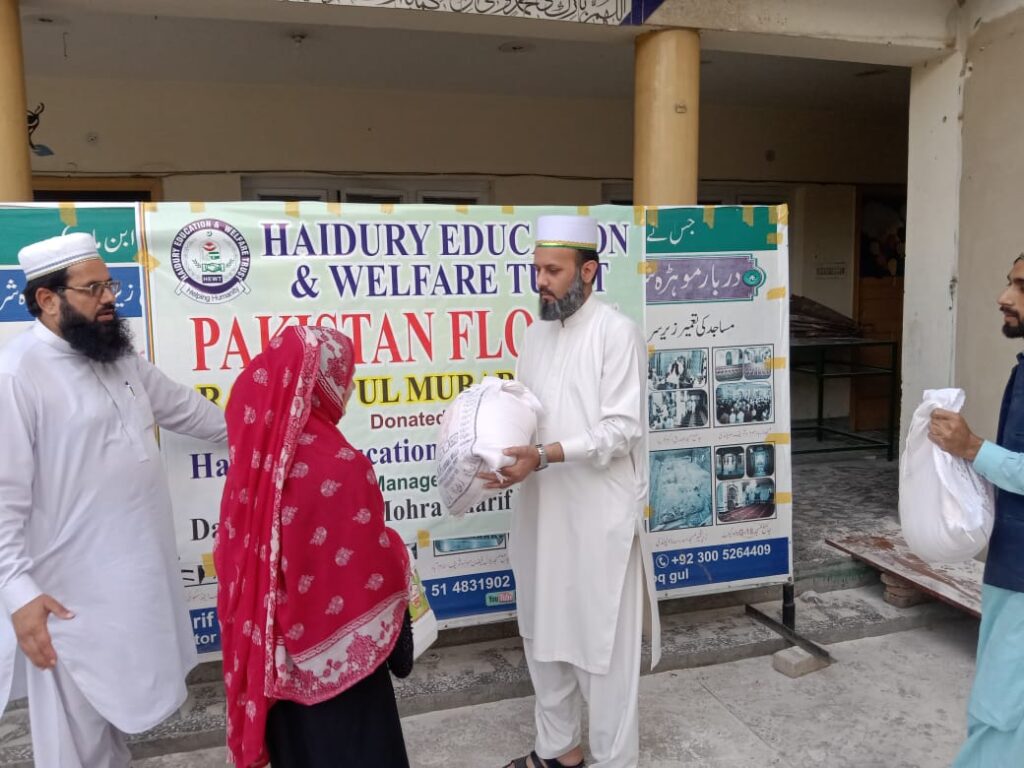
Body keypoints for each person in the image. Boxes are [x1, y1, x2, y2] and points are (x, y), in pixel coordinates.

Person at [0, 232, 227, 767]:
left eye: (110, 286)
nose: (108, 299)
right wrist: (19, 594)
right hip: (66, 594)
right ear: (47, 299)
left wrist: (268, 432)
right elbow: (2, 499)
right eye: (93, 289)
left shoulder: (117, 358)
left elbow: (186, 410)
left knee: (113, 725)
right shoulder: (15, 375)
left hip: (134, 580)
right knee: (74, 740)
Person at [487, 215, 660, 768]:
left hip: (597, 517)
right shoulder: (535, 335)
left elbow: (622, 429)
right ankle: (559, 752)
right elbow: (527, 414)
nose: (541, 281)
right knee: (543, 634)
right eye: (537, 269)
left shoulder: (616, 332)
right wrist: (497, 451)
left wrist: (545, 455)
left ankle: (614, 761)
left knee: (601, 649)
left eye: (553, 270)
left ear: (588, 271)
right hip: (542, 510)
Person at [216, 325, 412, 768]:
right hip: (349, 682)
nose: (350, 386)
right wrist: (399, 554)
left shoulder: (252, 474)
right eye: (345, 376)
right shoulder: (341, 467)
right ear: (320, 383)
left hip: (278, 673)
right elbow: (372, 568)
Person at [930, 252, 1024, 766]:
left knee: (1000, 710)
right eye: (1010, 283)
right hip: (1011, 560)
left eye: (1021, 287)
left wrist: (972, 449)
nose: (1004, 298)